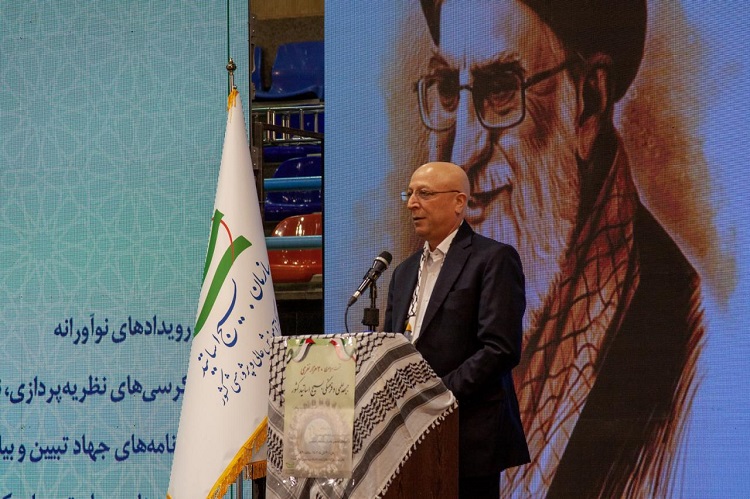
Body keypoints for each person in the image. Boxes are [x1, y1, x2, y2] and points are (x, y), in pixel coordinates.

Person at [398, 0, 705, 497]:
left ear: (587, 104)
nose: (462, 155)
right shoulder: (425, 290)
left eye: (501, 89)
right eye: (450, 89)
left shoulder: (698, 351)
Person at [384, 161, 530, 499]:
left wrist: (437, 397)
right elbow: (393, 347)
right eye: (409, 194)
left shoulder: (493, 259)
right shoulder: (403, 272)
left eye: (424, 193)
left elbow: (500, 348)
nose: (412, 203)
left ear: (459, 202)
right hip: (409, 439)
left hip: (469, 434)